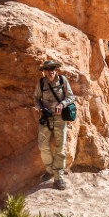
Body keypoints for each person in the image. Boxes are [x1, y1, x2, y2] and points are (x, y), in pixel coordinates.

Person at [33, 60, 75, 190]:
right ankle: (50, 170)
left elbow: (71, 97)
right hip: (46, 118)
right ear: (44, 71)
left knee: (60, 148)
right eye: (48, 69)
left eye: (53, 68)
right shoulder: (41, 83)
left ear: (56, 69)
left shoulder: (62, 81)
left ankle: (59, 177)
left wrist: (62, 104)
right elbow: (36, 99)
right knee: (43, 146)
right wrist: (40, 108)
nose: (51, 71)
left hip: (60, 119)